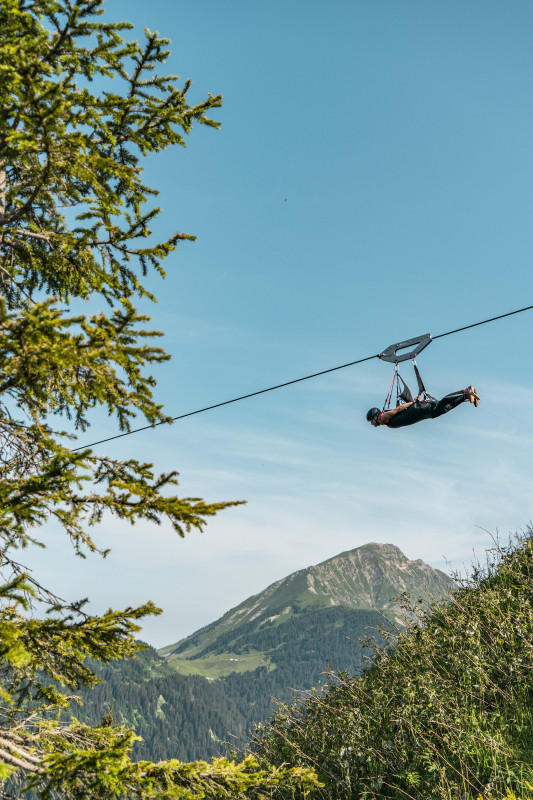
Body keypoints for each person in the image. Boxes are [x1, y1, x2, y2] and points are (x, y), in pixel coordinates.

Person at [367, 386, 479, 429]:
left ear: (375, 417)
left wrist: (413, 403)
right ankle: (466, 395)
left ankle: (466, 392)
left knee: (440, 406)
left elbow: (398, 409)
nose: (371, 424)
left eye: (371, 421)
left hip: (418, 410)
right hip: (419, 413)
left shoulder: (384, 417)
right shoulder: (385, 422)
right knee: (441, 409)